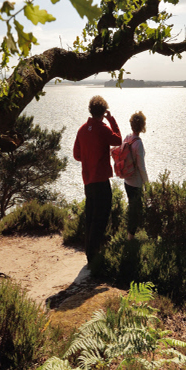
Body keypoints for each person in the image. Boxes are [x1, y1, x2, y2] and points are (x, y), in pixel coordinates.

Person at [73, 95, 122, 264]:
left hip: (88, 181)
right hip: (101, 180)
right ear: (103, 111)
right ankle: (93, 257)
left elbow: (77, 155)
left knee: (91, 217)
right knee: (101, 217)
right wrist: (111, 120)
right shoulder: (103, 128)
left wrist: (88, 158)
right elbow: (118, 140)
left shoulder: (82, 130)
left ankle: (90, 252)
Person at [123, 111, 149, 239]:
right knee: (136, 210)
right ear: (142, 126)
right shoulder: (138, 143)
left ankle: (129, 234)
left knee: (131, 207)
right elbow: (141, 167)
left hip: (127, 180)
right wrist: (147, 184)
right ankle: (131, 238)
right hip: (136, 183)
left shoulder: (127, 138)